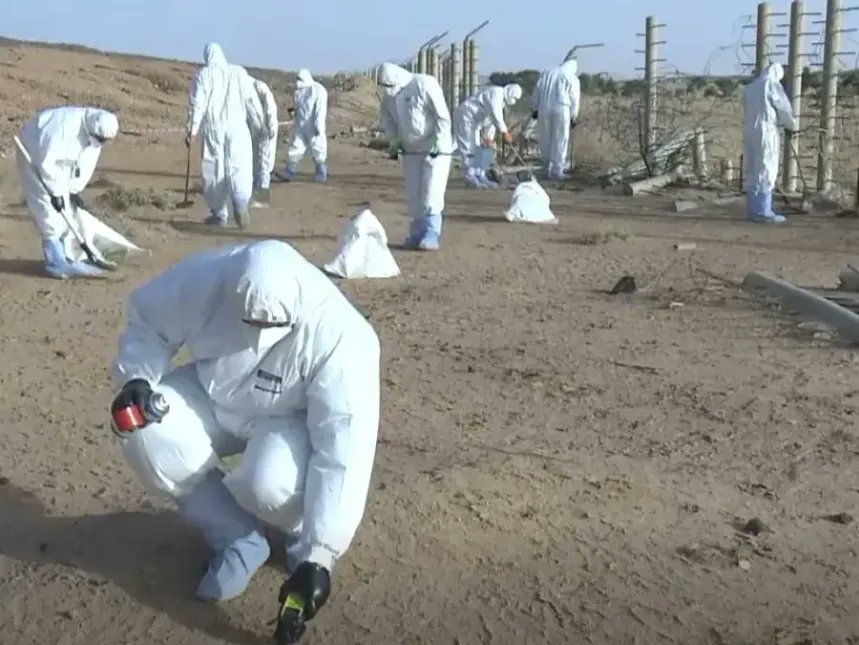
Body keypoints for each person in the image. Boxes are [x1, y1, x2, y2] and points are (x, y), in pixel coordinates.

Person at [109, 239, 380, 637]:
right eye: (248, 322)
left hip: (285, 415)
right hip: (212, 390)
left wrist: (321, 553)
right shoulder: (205, 277)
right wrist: (137, 377)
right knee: (145, 429)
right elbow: (149, 324)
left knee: (268, 484)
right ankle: (236, 536)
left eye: (270, 327)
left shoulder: (343, 336)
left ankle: (301, 542)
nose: (257, 335)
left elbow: (344, 449)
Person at [15, 106, 119, 279]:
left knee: (68, 210)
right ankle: (55, 262)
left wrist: (74, 189)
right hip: (34, 154)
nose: (101, 142)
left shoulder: (94, 133)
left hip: (62, 161)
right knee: (47, 208)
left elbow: (85, 162)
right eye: (100, 139)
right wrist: (54, 193)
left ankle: (68, 256)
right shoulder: (61, 128)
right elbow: (46, 162)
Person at [186, 43, 264, 229]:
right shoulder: (239, 72)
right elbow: (252, 101)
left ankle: (219, 213)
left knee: (214, 168)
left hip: (214, 129)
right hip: (238, 127)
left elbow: (197, 105)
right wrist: (259, 125)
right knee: (240, 165)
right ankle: (240, 200)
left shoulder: (203, 74)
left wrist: (191, 130)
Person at [377, 62, 453, 251]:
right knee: (414, 192)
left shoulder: (424, 84)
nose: (388, 90)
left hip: (433, 146)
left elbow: (442, 116)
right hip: (411, 149)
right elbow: (387, 119)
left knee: (431, 190)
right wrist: (394, 140)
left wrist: (439, 141)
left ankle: (431, 233)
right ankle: (417, 232)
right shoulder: (390, 97)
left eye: (389, 86)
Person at [742, 62, 798, 223]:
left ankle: (753, 208)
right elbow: (783, 107)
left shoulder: (750, 87)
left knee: (753, 167)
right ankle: (762, 210)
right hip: (766, 130)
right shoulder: (771, 84)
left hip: (749, 129)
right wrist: (791, 125)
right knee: (766, 166)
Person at [454, 84, 522, 188]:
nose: (514, 101)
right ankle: (469, 176)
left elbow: (491, 120)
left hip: (475, 123)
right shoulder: (497, 93)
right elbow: (495, 114)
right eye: (514, 98)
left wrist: (488, 137)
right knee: (468, 147)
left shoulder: (501, 103)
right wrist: (505, 132)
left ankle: (479, 174)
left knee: (478, 149)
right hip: (466, 116)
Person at [531, 58, 581, 180]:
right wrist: (573, 116)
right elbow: (575, 98)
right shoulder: (572, 77)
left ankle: (546, 167)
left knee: (545, 138)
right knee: (560, 139)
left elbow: (537, 90)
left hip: (544, 107)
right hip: (562, 109)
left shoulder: (547, 73)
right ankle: (557, 170)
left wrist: (535, 108)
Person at [283, 69, 328, 182]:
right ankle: (289, 172)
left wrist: (318, 125)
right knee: (295, 147)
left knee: (317, 148)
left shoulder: (318, 90)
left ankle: (320, 173)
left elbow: (320, 109)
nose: (298, 82)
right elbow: (298, 108)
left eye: (300, 79)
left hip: (313, 125)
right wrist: (294, 115)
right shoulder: (298, 92)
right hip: (300, 125)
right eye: (297, 79)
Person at [250, 77, 279, 207]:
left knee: (263, 164)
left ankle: (262, 199)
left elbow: (270, 107)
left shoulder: (259, 87)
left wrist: (271, 126)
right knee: (256, 164)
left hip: (265, 130)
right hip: (257, 130)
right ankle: (255, 193)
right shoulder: (247, 88)